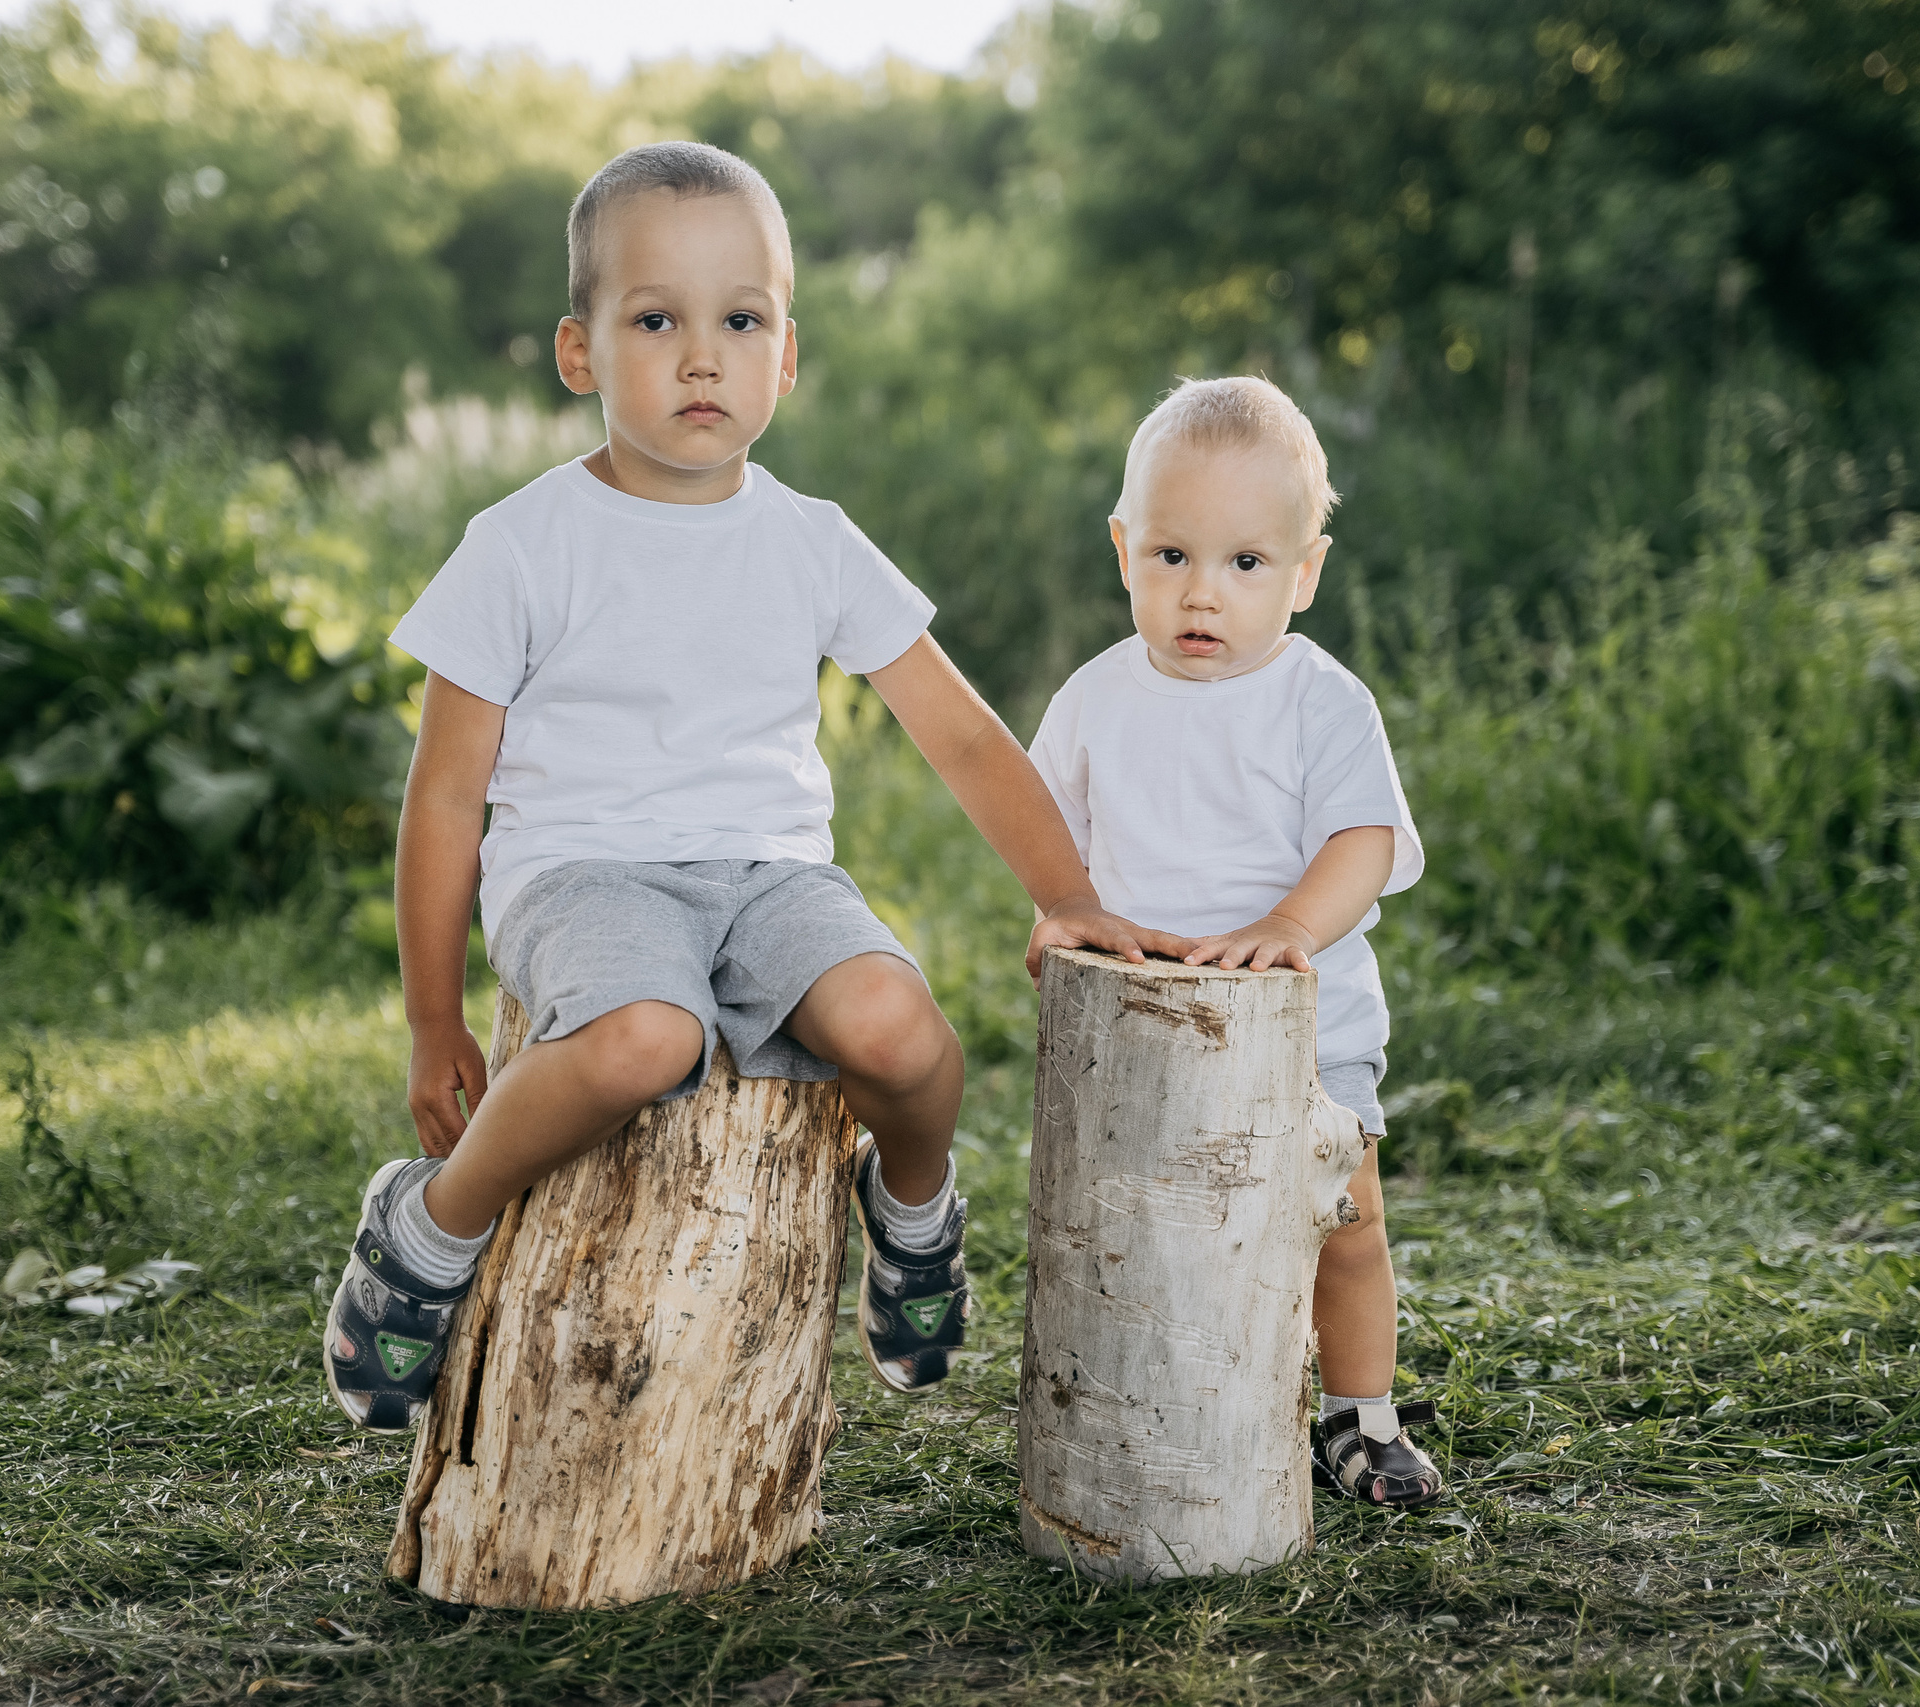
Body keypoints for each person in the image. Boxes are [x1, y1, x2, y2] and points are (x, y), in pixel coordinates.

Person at [323, 141, 1180, 1432]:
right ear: (579, 352)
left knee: (904, 1034)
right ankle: (427, 1225)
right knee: (644, 1039)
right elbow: (444, 796)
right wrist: (431, 1017)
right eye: (655, 318)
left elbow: (957, 732)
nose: (701, 355)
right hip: (585, 874)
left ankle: (913, 1209)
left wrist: (1066, 892)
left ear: (786, 355)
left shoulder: (809, 539)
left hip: (772, 878)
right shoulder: (520, 545)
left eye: (741, 319)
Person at [1026, 376, 1445, 1508]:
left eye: (1245, 565)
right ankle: (1132, 1414)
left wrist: (1286, 927)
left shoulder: (1320, 701)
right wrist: (1055, 912)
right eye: (1171, 556)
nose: (1201, 593)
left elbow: (1363, 842)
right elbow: (1048, 837)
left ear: (1303, 572)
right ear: (1123, 549)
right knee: (1151, 1248)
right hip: (1141, 1043)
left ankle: (1360, 1417)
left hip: (1306, 1030)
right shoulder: (1093, 700)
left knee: (1341, 1224)